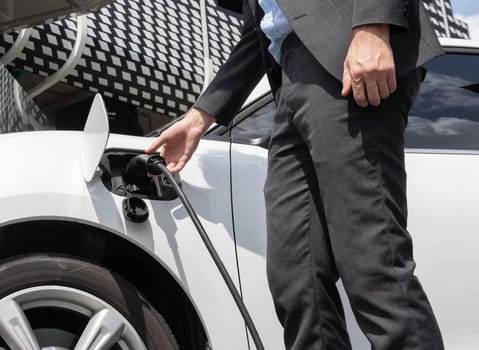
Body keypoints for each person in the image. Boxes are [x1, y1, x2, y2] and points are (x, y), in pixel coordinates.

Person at [146, 0, 445, 348]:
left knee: (370, 263)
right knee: (296, 278)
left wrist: (373, 25)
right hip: (289, 77)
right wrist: (199, 118)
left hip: (345, 58)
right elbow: (258, 32)